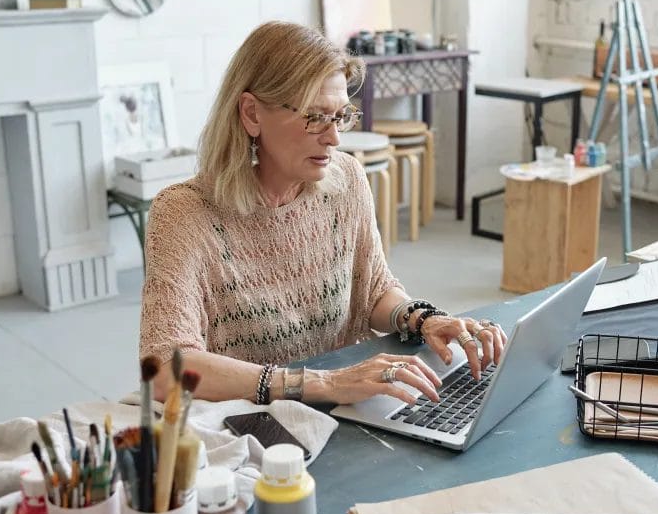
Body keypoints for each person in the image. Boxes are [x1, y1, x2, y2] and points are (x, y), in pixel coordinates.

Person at [139, 21, 507, 406]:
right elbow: (165, 369)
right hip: (252, 432)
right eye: (314, 117)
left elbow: (373, 289)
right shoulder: (184, 214)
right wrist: (322, 383)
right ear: (251, 113)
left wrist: (424, 319)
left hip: (347, 409)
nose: (333, 138)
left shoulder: (345, 178)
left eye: (340, 116)